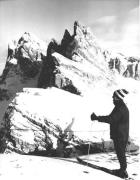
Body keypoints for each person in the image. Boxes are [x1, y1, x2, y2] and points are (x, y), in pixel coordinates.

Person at [91, 89, 129, 178]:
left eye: (114, 96)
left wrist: (97, 118)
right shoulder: (120, 106)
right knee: (120, 153)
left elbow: (111, 119)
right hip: (121, 135)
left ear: (118, 98)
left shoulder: (120, 108)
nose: (112, 98)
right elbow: (112, 118)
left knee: (120, 153)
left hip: (120, 136)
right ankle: (123, 170)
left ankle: (123, 171)